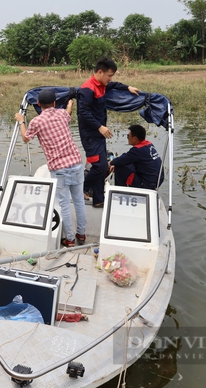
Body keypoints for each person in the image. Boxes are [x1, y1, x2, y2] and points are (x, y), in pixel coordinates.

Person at [14, 89, 87, 247]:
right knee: (79, 201)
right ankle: (81, 234)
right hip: (76, 162)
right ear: (54, 103)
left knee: (64, 205)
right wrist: (70, 104)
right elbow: (68, 113)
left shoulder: (37, 122)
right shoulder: (62, 114)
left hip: (59, 168)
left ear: (39, 104)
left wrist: (21, 121)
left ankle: (70, 239)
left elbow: (26, 138)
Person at [77, 57, 140, 208]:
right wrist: (99, 127)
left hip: (100, 133)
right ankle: (83, 188)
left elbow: (114, 85)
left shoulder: (102, 84)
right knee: (99, 166)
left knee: (103, 165)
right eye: (109, 75)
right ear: (100, 72)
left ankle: (98, 200)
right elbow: (83, 112)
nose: (110, 79)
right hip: (90, 135)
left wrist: (128, 87)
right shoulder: (87, 89)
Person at [108, 124, 164, 190]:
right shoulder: (148, 144)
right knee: (123, 163)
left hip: (147, 184)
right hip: (157, 181)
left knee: (119, 167)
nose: (127, 138)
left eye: (128, 136)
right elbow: (128, 159)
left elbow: (121, 159)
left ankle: (120, 192)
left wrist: (110, 163)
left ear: (135, 139)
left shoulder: (138, 150)